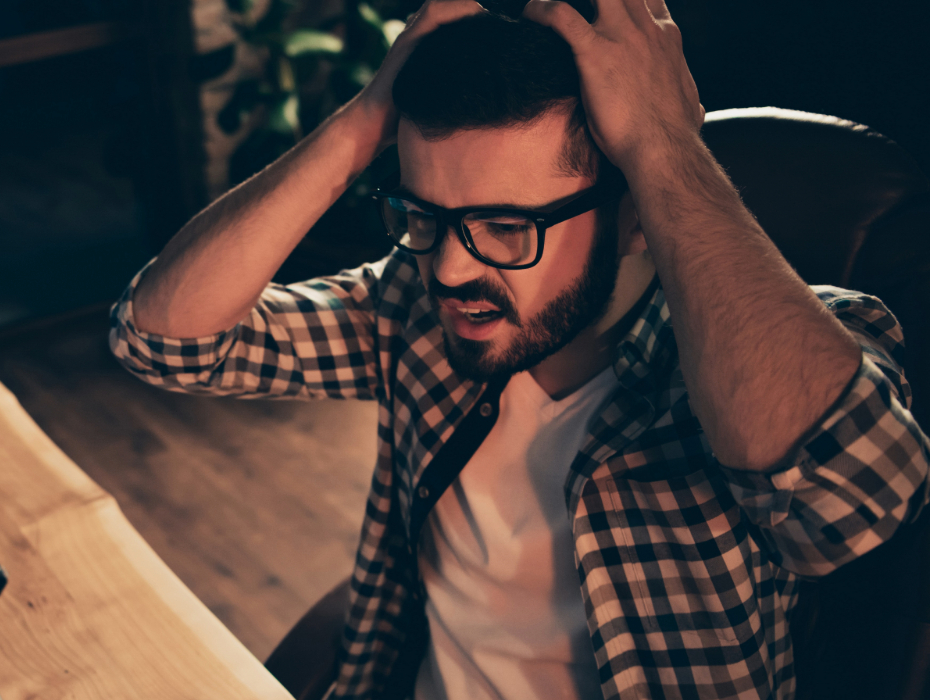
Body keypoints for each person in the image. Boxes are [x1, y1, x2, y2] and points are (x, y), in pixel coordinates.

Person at [107, 0, 930, 698]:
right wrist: (364, 124)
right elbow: (164, 343)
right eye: (427, 215)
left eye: (508, 226)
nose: (452, 267)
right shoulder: (414, 302)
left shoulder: (819, 333)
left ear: (636, 213)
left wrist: (664, 148)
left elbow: (843, 505)